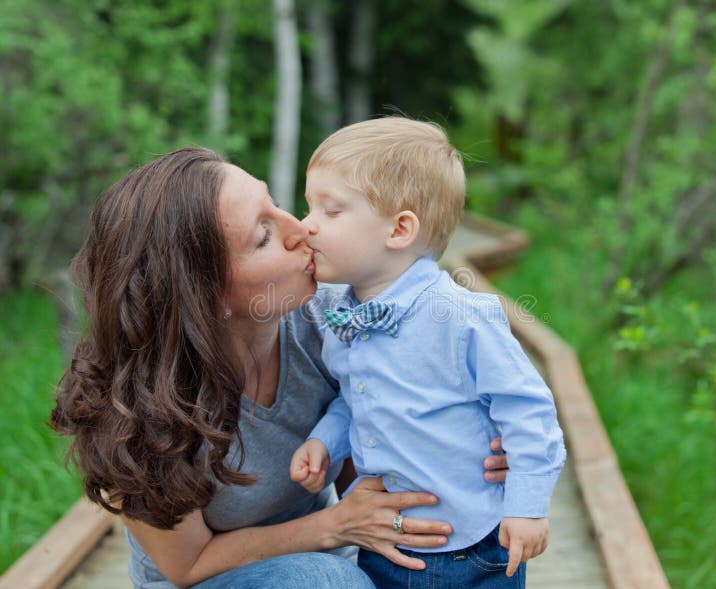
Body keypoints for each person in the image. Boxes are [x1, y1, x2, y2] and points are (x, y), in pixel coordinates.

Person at [50, 147, 511, 589]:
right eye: (263, 236)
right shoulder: (132, 406)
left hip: (335, 559)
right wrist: (333, 525)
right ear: (202, 297)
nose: (300, 229)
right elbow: (187, 565)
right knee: (329, 582)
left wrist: (477, 439)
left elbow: (383, 456)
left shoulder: (334, 318)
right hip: (221, 579)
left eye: (274, 203)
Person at [289, 117, 567, 587]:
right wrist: (324, 440)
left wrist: (527, 506)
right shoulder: (344, 314)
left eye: (330, 211)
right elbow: (357, 396)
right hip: (388, 543)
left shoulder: (459, 317)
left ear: (399, 229)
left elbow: (528, 408)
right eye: (308, 207)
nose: (305, 226)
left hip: (477, 545)